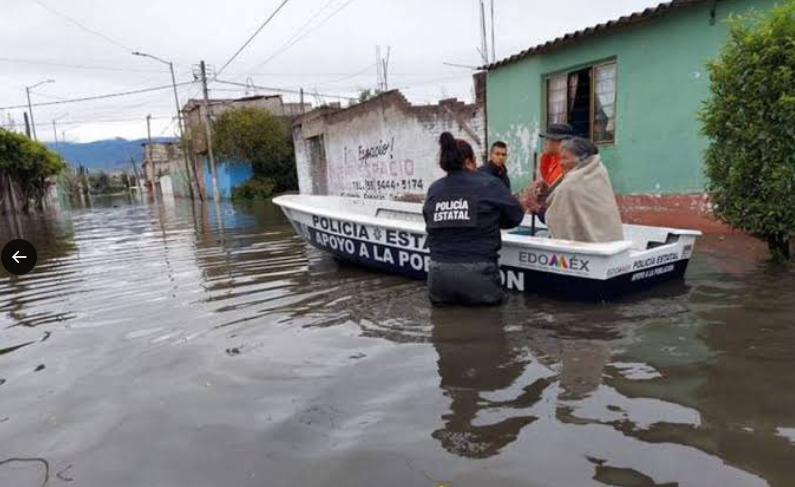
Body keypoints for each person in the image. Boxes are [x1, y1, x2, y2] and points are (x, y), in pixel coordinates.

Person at [423, 132, 525, 306]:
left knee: (443, 329)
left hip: (438, 275)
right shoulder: (489, 183)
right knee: (489, 325)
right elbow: (515, 217)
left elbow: (429, 220)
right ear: (469, 161)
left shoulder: (434, 189)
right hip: (478, 274)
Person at [545, 137, 624, 243]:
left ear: (581, 160)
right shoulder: (598, 169)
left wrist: (536, 208)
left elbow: (557, 220)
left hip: (586, 249)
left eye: (565, 158)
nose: (561, 163)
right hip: (611, 241)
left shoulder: (570, 184)